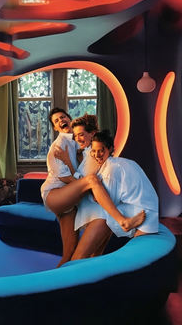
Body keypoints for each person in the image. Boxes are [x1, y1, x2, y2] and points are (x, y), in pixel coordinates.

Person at [41, 108, 145, 267]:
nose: (60, 121)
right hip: (56, 194)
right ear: (55, 128)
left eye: (62, 117)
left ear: (69, 118)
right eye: (56, 121)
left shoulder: (83, 148)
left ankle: (58, 280)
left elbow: (83, 172)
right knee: (91, 181)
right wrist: (90, 187)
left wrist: (74, 160)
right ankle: (122, 220)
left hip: (72, 201)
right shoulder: (59, 146)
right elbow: (67, 178)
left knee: (70, 254)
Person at [89, 130, 159, 238]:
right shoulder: (118, 162)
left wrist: (95, 194)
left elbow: (109, 202)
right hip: (147, 207)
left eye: (101, 151)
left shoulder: (110, 170)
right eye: (93, 151)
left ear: (110, 149)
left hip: (143, 213)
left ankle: (124, 223)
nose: (96, 155)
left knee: (102, 211)